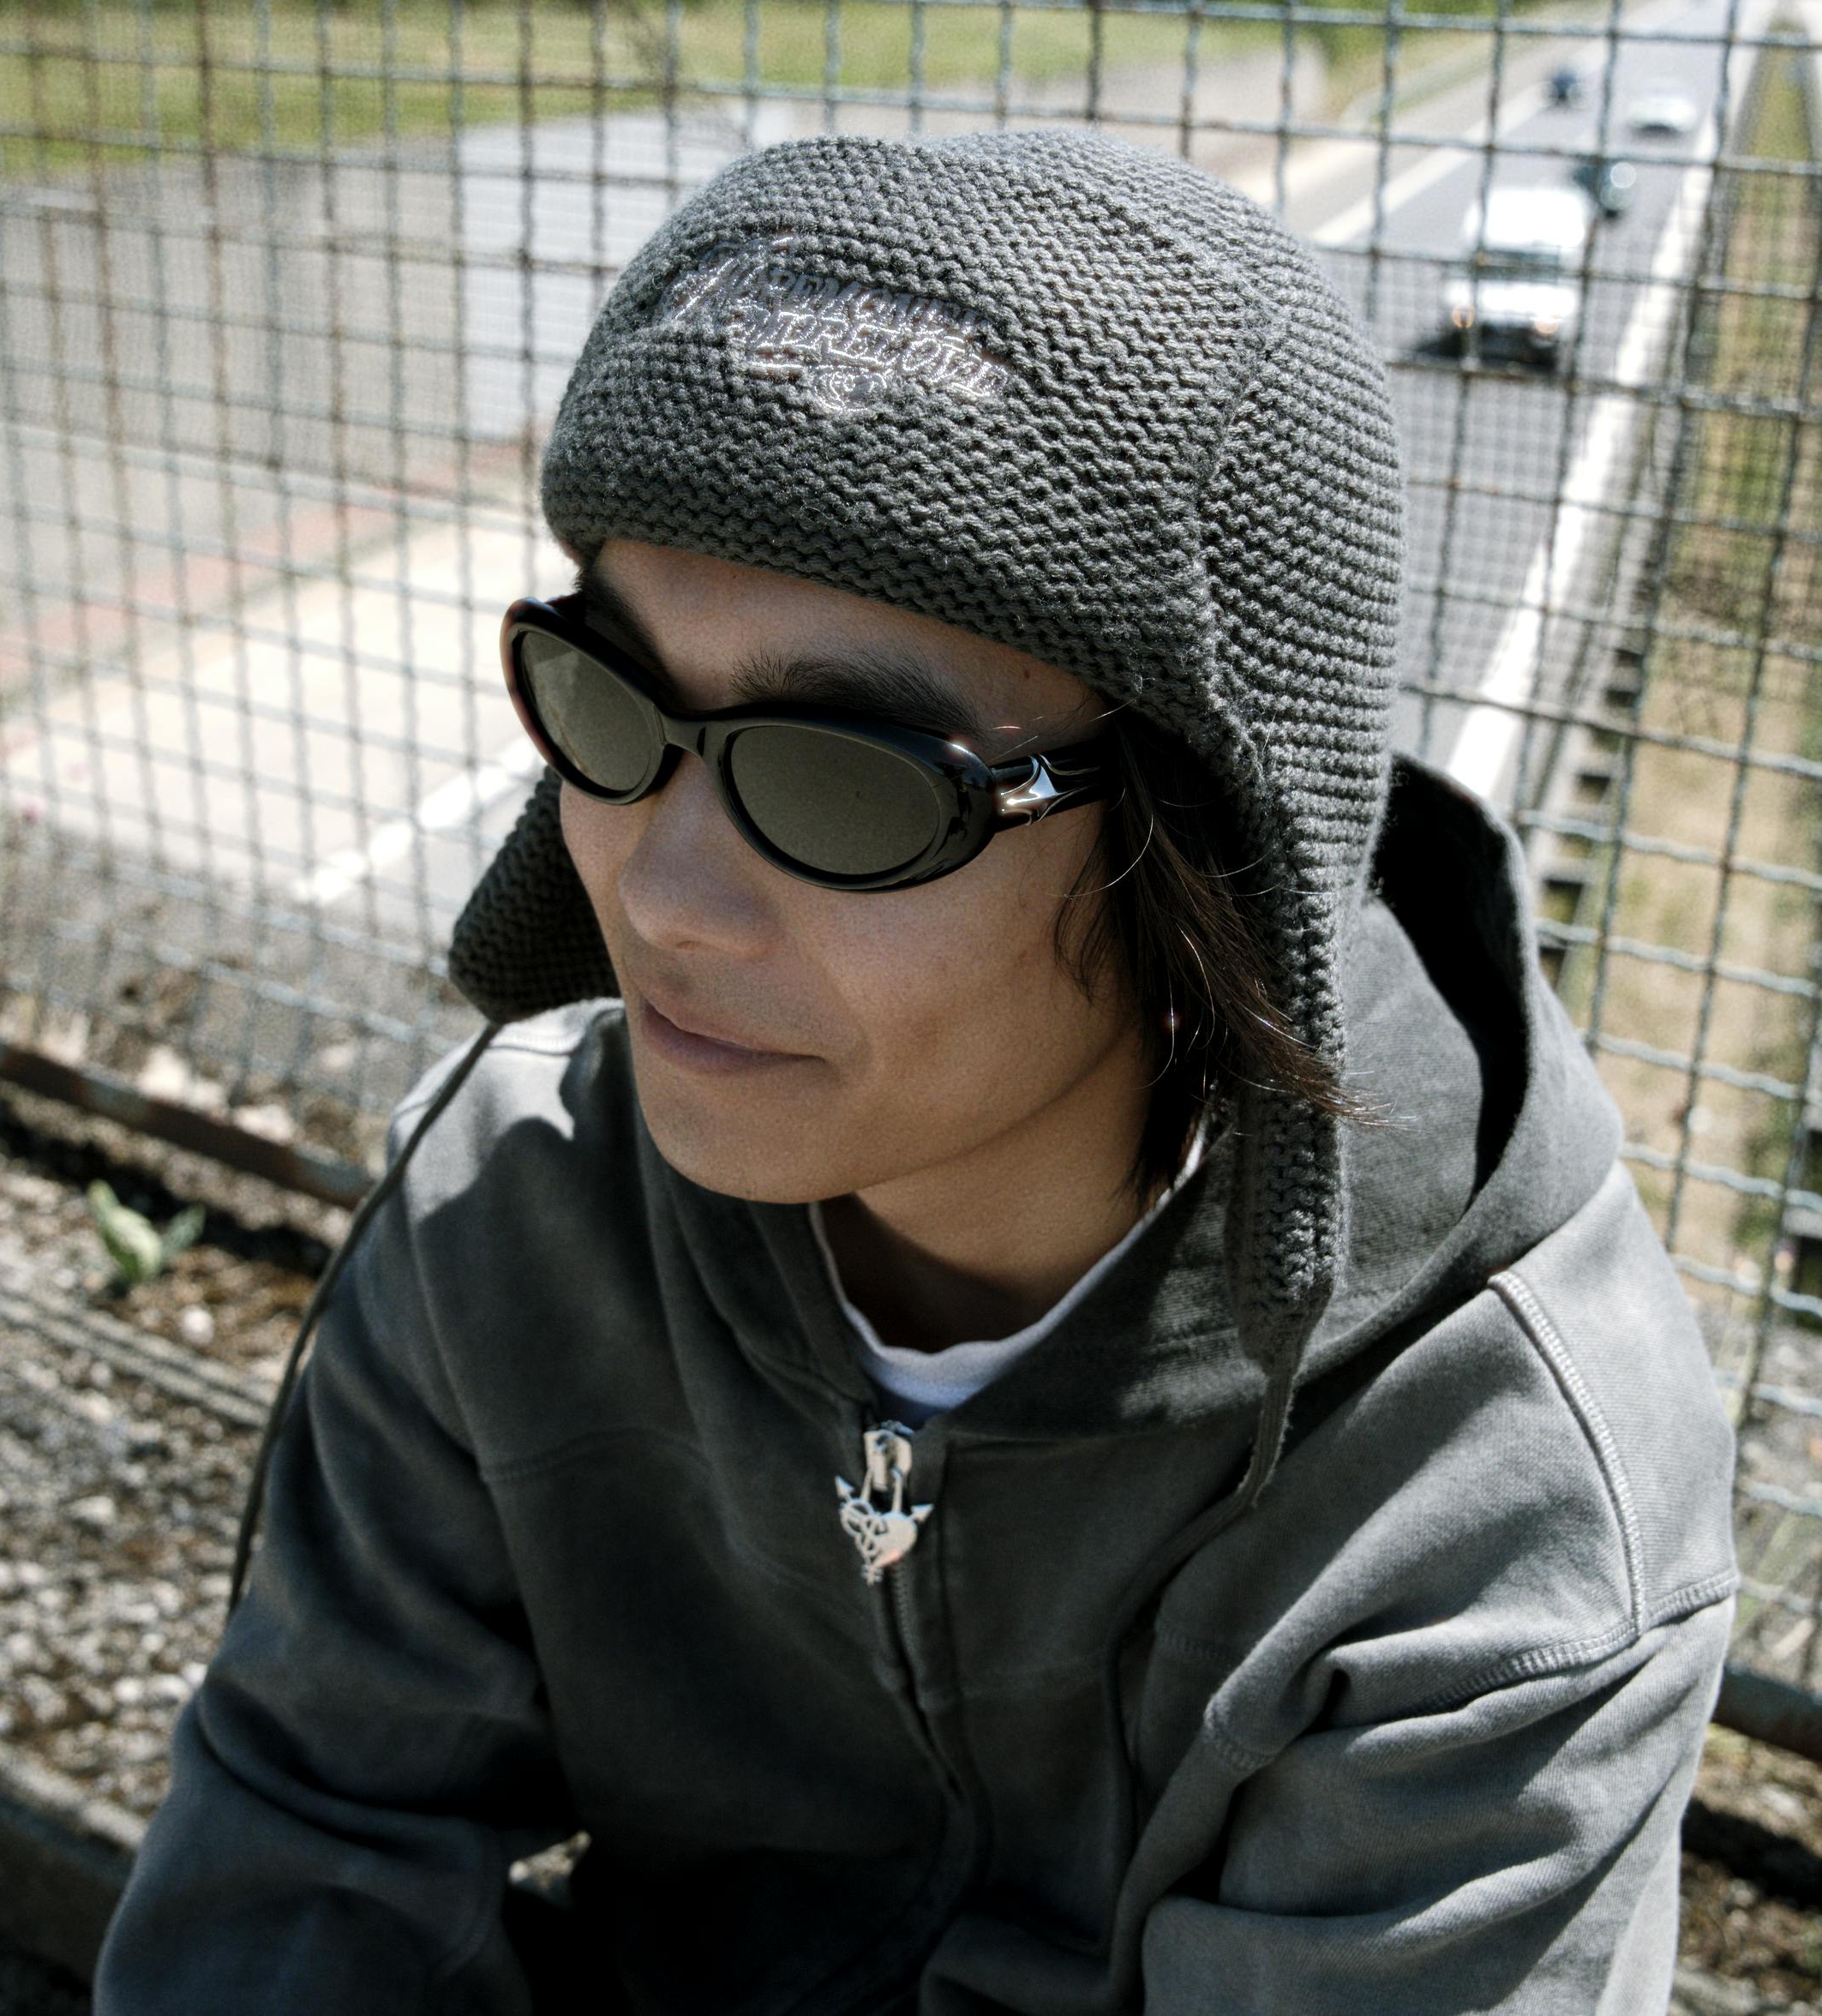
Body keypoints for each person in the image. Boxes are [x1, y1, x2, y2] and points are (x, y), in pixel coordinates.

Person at [96, 129, 1737, 2015]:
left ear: (1208, 847)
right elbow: (303, 1856)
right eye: (611, 703)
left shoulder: (1491, 1491)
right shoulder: (516, 1203)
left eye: (846, 778)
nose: (669, 898)